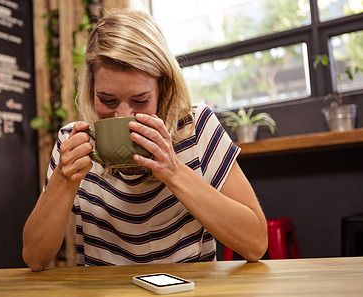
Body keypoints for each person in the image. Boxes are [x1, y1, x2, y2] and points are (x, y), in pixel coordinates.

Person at [22, 9, 267, 271]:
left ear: (163, 87)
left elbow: (255, 244)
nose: (123, 115)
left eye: (140, 100)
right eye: (107, 100)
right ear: (91, 89)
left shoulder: (197, 129)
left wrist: (174, 172)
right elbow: (35, 257)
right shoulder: (75, 143)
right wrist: (63, 180)